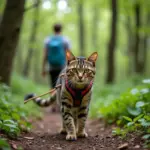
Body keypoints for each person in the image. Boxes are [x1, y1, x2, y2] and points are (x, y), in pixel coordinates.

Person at [41, 23, 71, 112]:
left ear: (53, 29)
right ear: (61, 29)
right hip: (62, 66)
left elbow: (45, 55)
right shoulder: (65, 40)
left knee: (52, 85)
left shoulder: (48, 40)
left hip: (51, 66)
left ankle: (53, 105)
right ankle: (59, 105)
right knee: (61, 85)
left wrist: (43, 68)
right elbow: (69, 54)